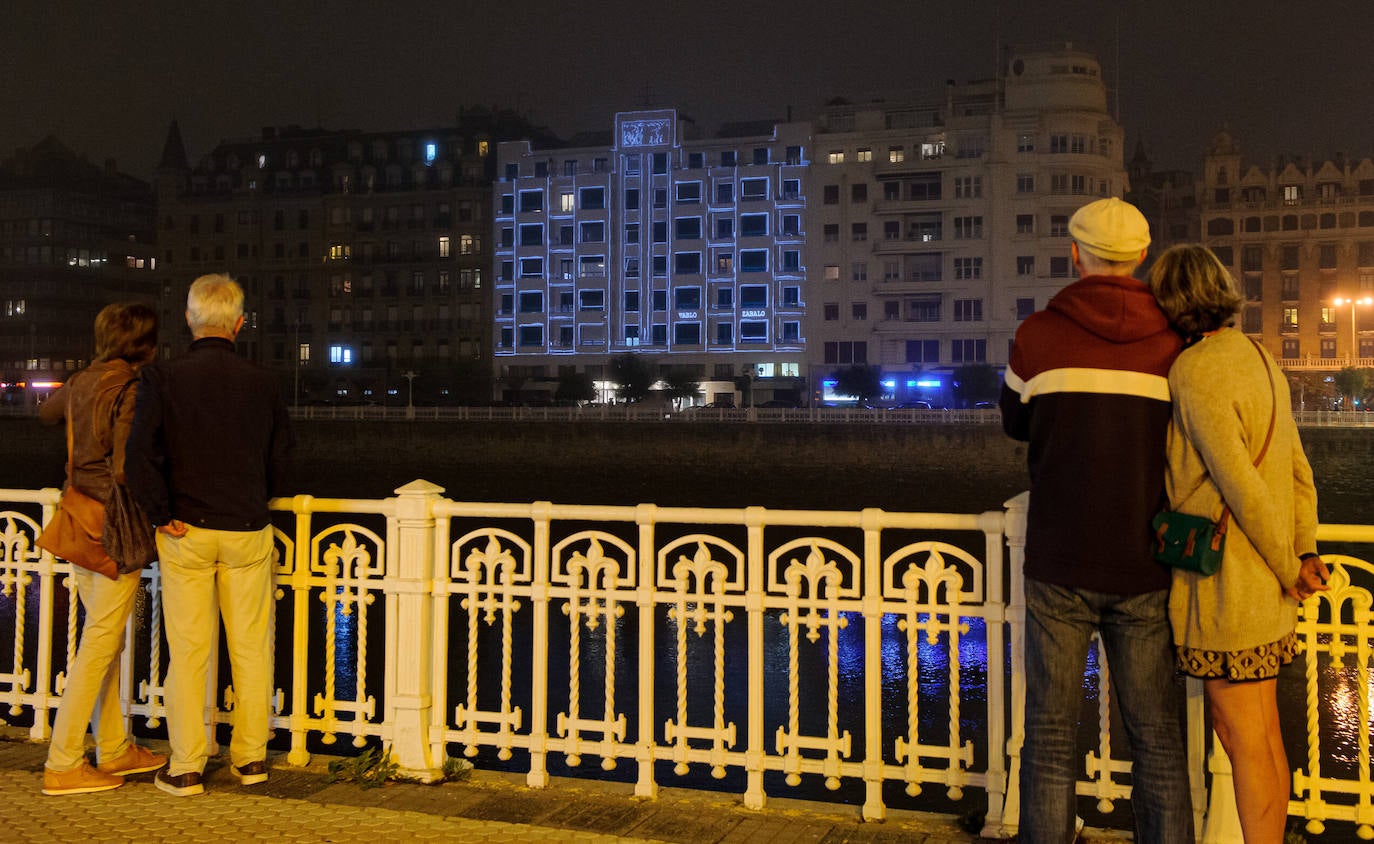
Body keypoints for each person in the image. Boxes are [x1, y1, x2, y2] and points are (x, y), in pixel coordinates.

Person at [1000, 197, 1193, 842]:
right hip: (1147, 560)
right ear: (1141, 256)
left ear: (1075, 254)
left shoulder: (1037, 335)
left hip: (1059, 558)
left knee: (1051, 734)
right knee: (1158, 738)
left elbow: (1017, 422)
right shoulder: (1177, 341)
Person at [1148, 244, 1328, 842]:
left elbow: (1238, 485)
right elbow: (1297, 468)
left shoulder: (1193, 370)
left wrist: (1285, 566)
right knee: (1267, 736)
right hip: (1268, 590)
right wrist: (1304, 552)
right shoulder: (1258, 355)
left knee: (1243, 740)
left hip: (1231, 584)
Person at [126, 274, 293, 797]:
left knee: (190, 650)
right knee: (250, 648)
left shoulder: (162, 378)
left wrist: (161, 512)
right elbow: (281, 461)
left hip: (187, 530)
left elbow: (139, 458)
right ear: (240, 324)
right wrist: (254, 499)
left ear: (190, 321)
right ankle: (250, 759)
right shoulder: (263, 381)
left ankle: (187, 765)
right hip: (247, 528)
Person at [39, 302, 167, 795]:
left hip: (78, 518)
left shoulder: (82, 380)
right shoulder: (130, 387)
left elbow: (46, 413)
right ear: (145, 346)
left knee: (104, 639)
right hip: (113, 527)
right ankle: (64, 761)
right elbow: (124, 468)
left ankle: (112, 748)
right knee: (98, 645)